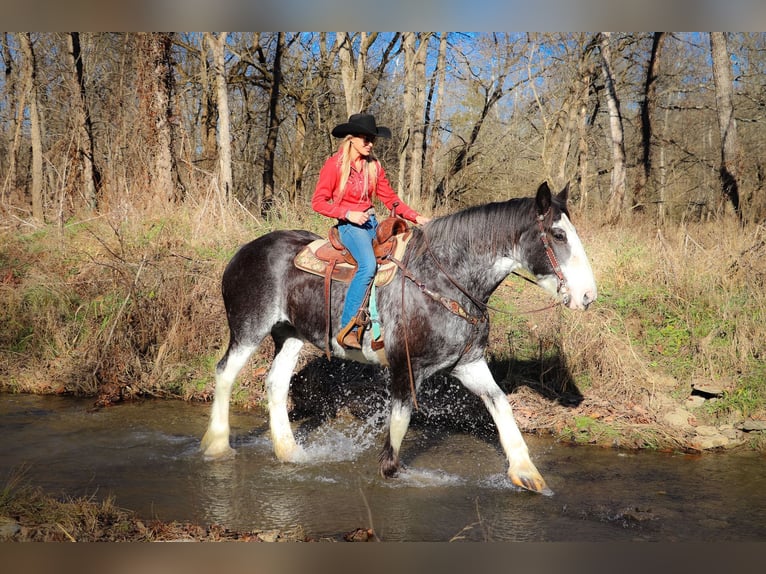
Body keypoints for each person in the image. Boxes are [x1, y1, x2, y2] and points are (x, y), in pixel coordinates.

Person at [312, 112, 430, 350]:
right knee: (367, 266)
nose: (370, 143)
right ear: (351, 139)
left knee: (404, 260)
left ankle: (391, 323)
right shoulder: (334, 166)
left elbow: (391, 200)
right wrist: (347, 213)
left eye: (372, 139)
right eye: (365, 138)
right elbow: (318, 202)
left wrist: (416, 217)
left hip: (372, 224)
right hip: (349, 227)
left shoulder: (374, 166)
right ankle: (349, 328)